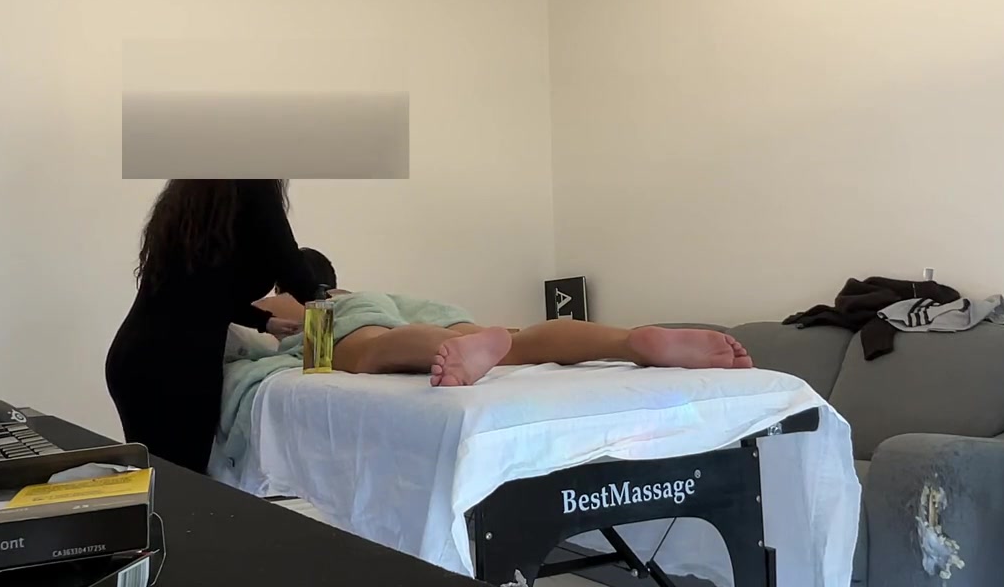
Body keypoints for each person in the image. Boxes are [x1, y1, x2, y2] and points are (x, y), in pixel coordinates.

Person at [258, 249, 754, 388]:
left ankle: (447, 353)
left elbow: (247, 339)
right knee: (522, 342)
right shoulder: (375, 292)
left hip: (347, 319)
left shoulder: (292, 299)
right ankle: (627, 341)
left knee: (368, 351)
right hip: (428, 310)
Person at [107, 180, 322, 473]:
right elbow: (290, 264)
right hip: (176, 367)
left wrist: (264, 321)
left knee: (159, 483)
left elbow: (199, 291)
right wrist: (331, 307)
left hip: (136, 358)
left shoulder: (194, 199)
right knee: (181, 485)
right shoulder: (254, 184)